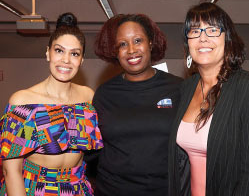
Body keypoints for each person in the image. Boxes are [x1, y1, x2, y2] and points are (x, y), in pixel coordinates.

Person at [168, 2, 249, 196]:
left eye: (213, 30)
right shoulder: (186, 88)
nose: (203, 38)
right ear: (187, 43)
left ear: (228, 39)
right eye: (195, 31)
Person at [0, 12, 103, 196]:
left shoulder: (88, 97)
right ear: (48, 53)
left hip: (76, 188)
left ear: (82, 59)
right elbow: (11, 170)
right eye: (59, 50)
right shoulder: (23, 102)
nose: (66, 60)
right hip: (34, 188)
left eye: (74, 54)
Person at [90, 14, 183, 196]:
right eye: (122, 44)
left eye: (138, 40)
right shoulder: (104, 93)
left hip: (166, 190)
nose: (131, 50)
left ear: (150, 43)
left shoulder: (179, 88)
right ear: (115, 51)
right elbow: (92, 150)